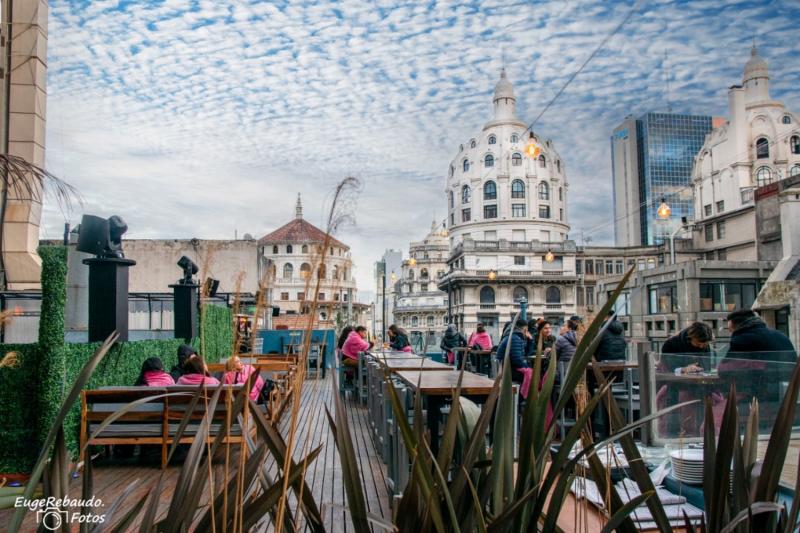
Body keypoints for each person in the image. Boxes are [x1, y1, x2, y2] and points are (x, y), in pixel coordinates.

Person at [724, 309, 796, 362]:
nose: (730, 334)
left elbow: (723, 370)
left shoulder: (740, 340)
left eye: (730, 330)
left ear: (738, 327)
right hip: (787, 381)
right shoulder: (781, 336)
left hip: (758, 381)